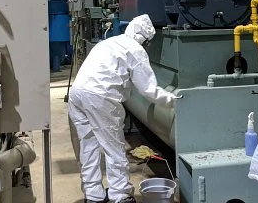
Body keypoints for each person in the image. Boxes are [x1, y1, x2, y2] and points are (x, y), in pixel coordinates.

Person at [68, 14, 178, 203]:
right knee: (114, 149)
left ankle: (93, 195)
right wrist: (174, 100)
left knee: (88, 146)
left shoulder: (109, 42)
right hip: (101, 96)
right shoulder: (136, 50)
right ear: (145, 39)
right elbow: (149, 90)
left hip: (77, 93)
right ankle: (120, 195)